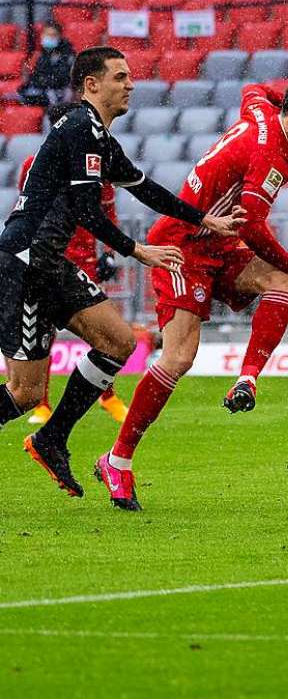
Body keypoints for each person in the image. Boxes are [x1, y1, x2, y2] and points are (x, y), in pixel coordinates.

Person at [0, 46, 244, 500]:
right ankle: (49, 436)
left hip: (50, 264)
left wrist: (203, 220)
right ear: (91, 85)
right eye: (119, 76)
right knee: (24, 393)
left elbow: (146, 189)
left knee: (118, 343)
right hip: (25, 264)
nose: (130, 84)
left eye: (129, 76)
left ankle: (51, 439)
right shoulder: (78, 128)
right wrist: (138, 251)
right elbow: (86, 210)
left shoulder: (98, 137)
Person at [97, 78, 288, 511]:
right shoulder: (273, 158)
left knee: (277, 281)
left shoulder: (260, 113)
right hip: (182, 245)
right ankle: (118, 460)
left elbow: (255, 87)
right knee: (178, 358)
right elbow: (253, 230)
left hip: (218, 244)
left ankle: (247, 379)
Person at [14, 102, 130, 426]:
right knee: (44, 333)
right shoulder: (34, 164)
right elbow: (25, 208)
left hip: (84, 258)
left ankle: (107, 397)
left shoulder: (97, 165)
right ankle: (42, 404)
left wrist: (110, 251)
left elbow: (108, 211)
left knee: (106, 335)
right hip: (49, 257)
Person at [19, 23, 75, 108]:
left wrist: (42, 81)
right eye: (47, 34)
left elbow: (62, 78)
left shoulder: (67, 54)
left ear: (59, 36)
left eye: (53, 35)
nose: (50, 37)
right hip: (41, 91)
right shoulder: (41, 54)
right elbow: (34, 76)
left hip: (58, 93)